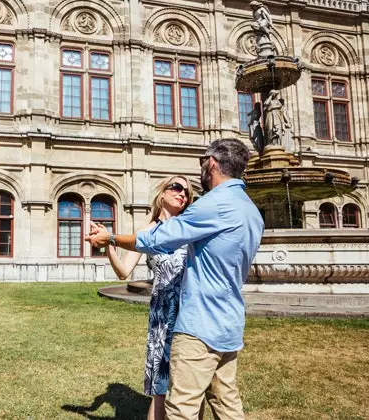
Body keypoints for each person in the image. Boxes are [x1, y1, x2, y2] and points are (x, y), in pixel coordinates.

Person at [85, 139, 264, 419]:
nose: (187, 189)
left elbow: (158, 239)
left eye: (202, 164)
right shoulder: (252, 210)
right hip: (228, 322)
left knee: (181, 408)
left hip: (198, 325)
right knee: (226, 402)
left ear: (212, 163)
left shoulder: (213, 204)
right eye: (176, 187)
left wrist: (110, 237)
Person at [101, 176, 194, 420]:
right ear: (161, 194)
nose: (182, 193)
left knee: (192, 384)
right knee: (160, 386)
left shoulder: (190, 228)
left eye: (187, 191)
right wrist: (108, 244)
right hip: (163, 313)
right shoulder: (148, 230)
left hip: (191, 309)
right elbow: (123, 271)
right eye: (176, 187)